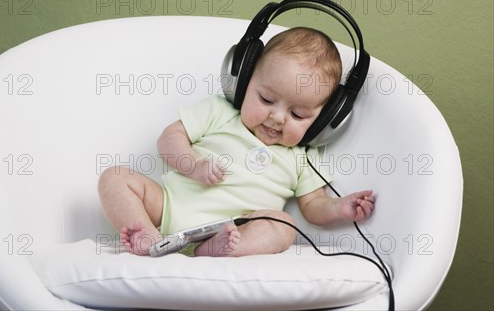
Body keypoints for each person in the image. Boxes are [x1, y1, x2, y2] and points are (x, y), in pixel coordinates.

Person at [98, 27, 375, 257]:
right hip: (169, 208)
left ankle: (216, 250)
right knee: (115, 177)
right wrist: (193, 165)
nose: (277, 117)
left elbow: (313, 206)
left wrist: (340, 208)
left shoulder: (302, 157)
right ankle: (147, 235)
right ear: (244, 81)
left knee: (284, 225)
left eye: (298, 114)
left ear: (323, 120)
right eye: (266, 99)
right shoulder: (220, 112)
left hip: (235, 227)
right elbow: (169, 139)